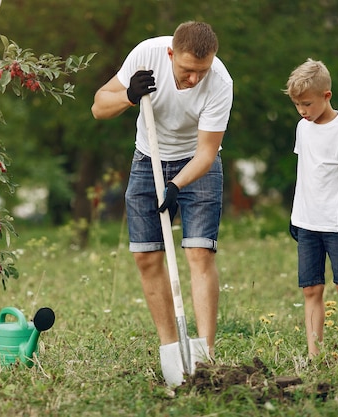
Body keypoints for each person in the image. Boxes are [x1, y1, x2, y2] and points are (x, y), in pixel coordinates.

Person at [91, 21, 233, 382]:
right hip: (147, 158)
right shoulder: (146, 55)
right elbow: (98, 107)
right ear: (171, 54)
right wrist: (129, 96)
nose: (193, 80)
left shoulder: (219, 82)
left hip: (196, 165)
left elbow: (206, 153)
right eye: (187, 71)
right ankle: (172, 350)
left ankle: (205, 356)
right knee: (146, 256)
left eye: (201, 72)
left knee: (199, 252)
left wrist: (175, 185)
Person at [284, 58, 338, 361]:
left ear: (326, 96)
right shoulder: (302, 128)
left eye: (307, 103)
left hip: (337, 224)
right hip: (307, 223)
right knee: (311, 290)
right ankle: (313, 353)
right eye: (297, 105)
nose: (302, 111)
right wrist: (296, 215)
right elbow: (305, 171)